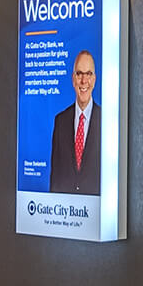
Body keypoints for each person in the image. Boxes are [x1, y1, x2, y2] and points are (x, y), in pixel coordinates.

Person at [49, 50, 101, 195]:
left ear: (94, 79)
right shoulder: (60, 121)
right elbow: (55, 179)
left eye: (88, 74)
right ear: (73, 79)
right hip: (65, 214)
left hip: (93, 213)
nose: (84, 81)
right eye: (79, 74)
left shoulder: (106, 121)